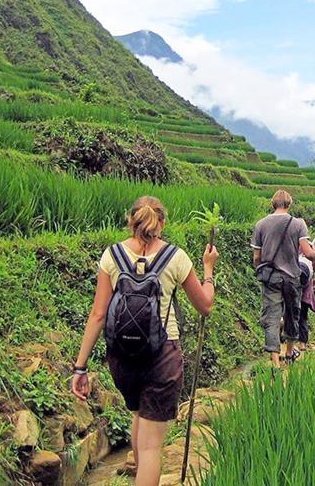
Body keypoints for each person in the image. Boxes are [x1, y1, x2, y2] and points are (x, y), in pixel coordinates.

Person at [71, 196, 218, 486]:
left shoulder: (111, 255)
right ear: (161, 222)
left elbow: (99, 314)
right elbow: (205, 306)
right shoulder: (176, 257)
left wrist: (80, 367)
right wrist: (209, 269)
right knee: (152, 448)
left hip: (122, 356)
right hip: (162, 355)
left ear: (131, 221)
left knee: (138, 412)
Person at [251, 190, 315, 368]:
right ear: (289, 204)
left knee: (272, 317)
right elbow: (306, 252)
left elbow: (256, 258)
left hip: (271, 278)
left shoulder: (261, 224)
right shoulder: (298, 224)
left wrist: (262, 269)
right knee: (292, 314)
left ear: (272, 203)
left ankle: (275, 362)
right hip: (292, 276)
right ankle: (290, 353)